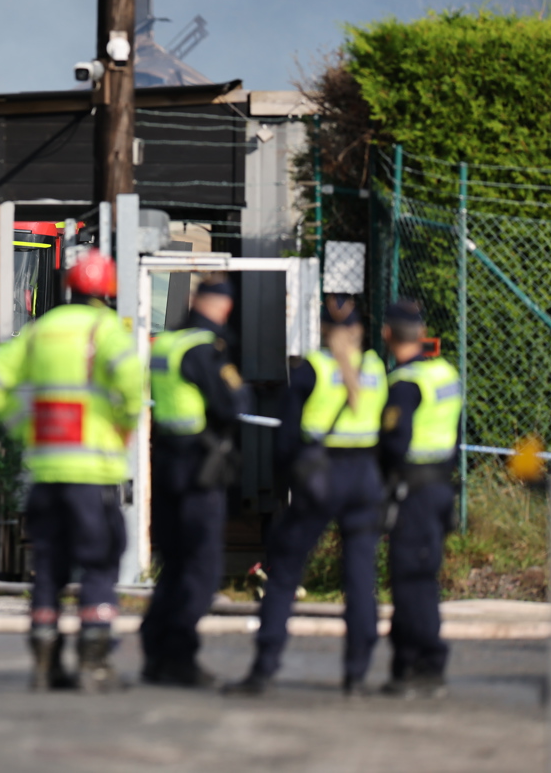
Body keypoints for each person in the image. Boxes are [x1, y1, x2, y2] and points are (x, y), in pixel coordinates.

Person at [0, 250, 143, 693]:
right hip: (95, 475)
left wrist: (21, 424)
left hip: (46, 471)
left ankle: (45, 665)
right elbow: (130, 380)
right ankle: (94, 664)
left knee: (49, 566)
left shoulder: (41, 330)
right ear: (108, 293)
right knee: (100, 562)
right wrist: (124, 424)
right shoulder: (106, 330)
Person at [225, 295, 388, 696]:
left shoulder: (311, 370)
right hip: (365, 476)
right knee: (360, 577)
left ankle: (264, 668)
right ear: (360, 331)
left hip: (320, 477)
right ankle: (357, 673)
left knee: (283, 574)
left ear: (322, 330)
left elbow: (284, 440)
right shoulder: (376, 369)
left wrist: (286, 486)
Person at [139, 275, 248, 688]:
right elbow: (232, 403)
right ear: (221, 307)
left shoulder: (167, 344)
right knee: (202, 567)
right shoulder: (205, 349)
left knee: (174, 565)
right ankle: (179, 658)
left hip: (167, 462)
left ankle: (156, 652)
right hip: (200, 468)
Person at [378, 300, 463, 698]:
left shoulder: (404, 383)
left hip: (412, 491)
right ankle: (419, 664)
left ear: (387, 334)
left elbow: (395, 442)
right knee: (424, 578)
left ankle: (416, 665)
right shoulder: (445, 374)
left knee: (409, 580)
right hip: (441, 487)